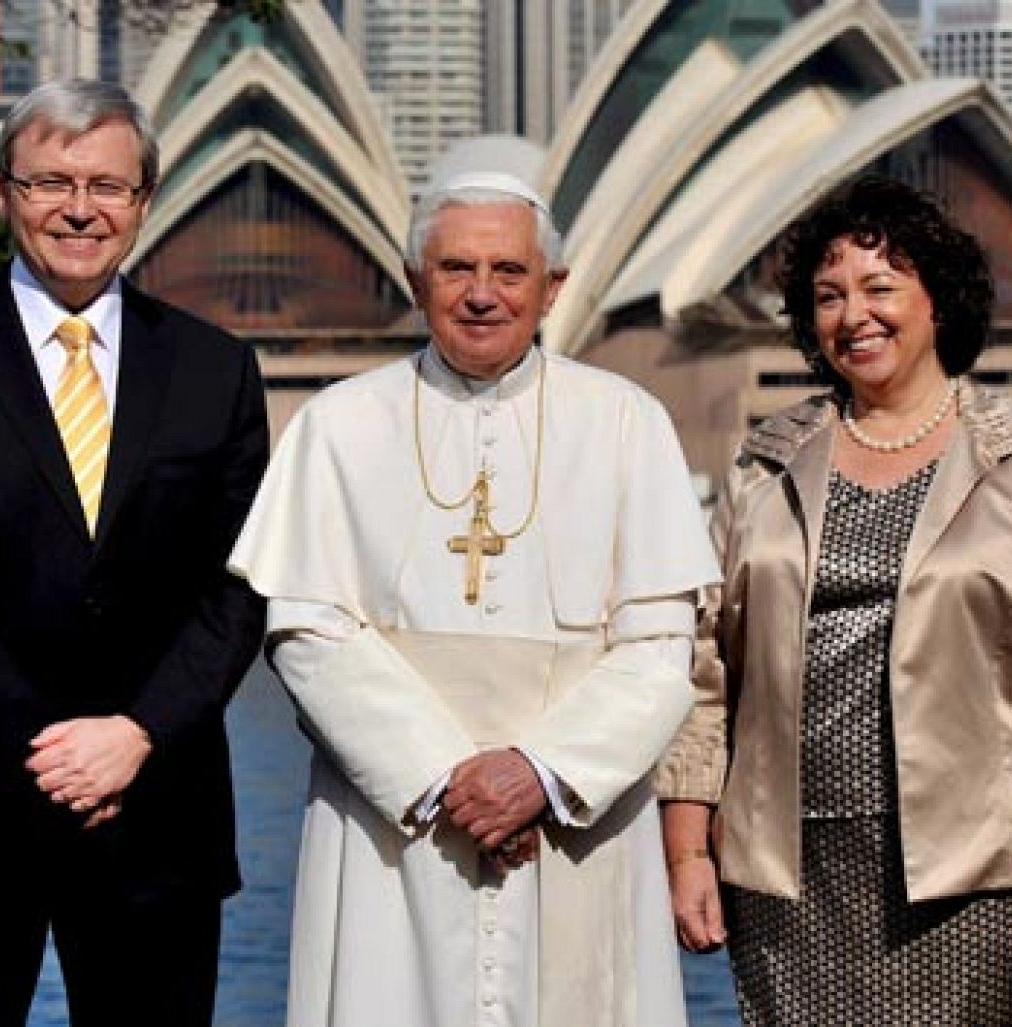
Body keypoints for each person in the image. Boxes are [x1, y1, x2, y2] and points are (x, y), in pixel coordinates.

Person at [228, 171, 720, 1027]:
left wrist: (540, 772)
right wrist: (442, 776)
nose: (482, 294)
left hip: (576, 818)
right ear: (416, 281)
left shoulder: (627, 422)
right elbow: (307, 631)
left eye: (509, 271)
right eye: (456, 269)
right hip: (395, 825)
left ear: (553, 287)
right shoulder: (339, 425)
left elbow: (660, 645)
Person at [0, 79, 267, 1025]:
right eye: (51, 183)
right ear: (2, 194)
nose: (79, 209)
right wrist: (54, 748)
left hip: (154, 807)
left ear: (144, 202)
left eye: (108, 186)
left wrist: (136, 733)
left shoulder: (216, 368)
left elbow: (240, 585)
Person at [658, 176, 1012, 1024]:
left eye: (879, 287)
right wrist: (688, 849)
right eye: (828, 296)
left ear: (936, 299)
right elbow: (706, 674)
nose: (854, 316)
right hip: (788, 880)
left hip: (974, 873)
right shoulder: (765, 464)